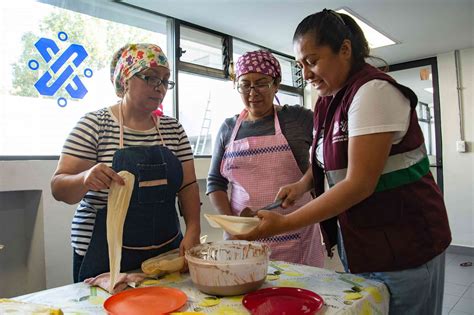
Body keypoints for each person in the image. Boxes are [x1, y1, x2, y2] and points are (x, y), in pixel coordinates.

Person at [237, 10, 452, 315]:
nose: (307, 74)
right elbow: (329, 161)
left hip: (407, 245)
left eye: (312, 61)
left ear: (346, 49)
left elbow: (359, 183)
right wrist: (302, 185)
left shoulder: (374, 92)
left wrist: (284, 223)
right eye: (301, 65)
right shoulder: (328, 101)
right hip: (366, 243)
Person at [51, 43, 201, 283]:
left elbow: (188, 186)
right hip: (103, 254)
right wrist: (85, 178)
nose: (159, 87)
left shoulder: (174, 130)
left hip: (164, 249)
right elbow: (59, 188)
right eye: (150, 78)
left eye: (164, 80)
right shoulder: (94, 125)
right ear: (125, 80)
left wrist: (194, 228)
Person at [207, 50, 325, 267]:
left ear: (276, 84)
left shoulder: (297, 118)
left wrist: (301, 185)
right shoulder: (228, 128)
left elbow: (326, 155)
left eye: (261, 83)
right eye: (245, 84)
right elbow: (215, 182)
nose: (253, 92)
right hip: (243, 238)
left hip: (295, 234)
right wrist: (232, 225)